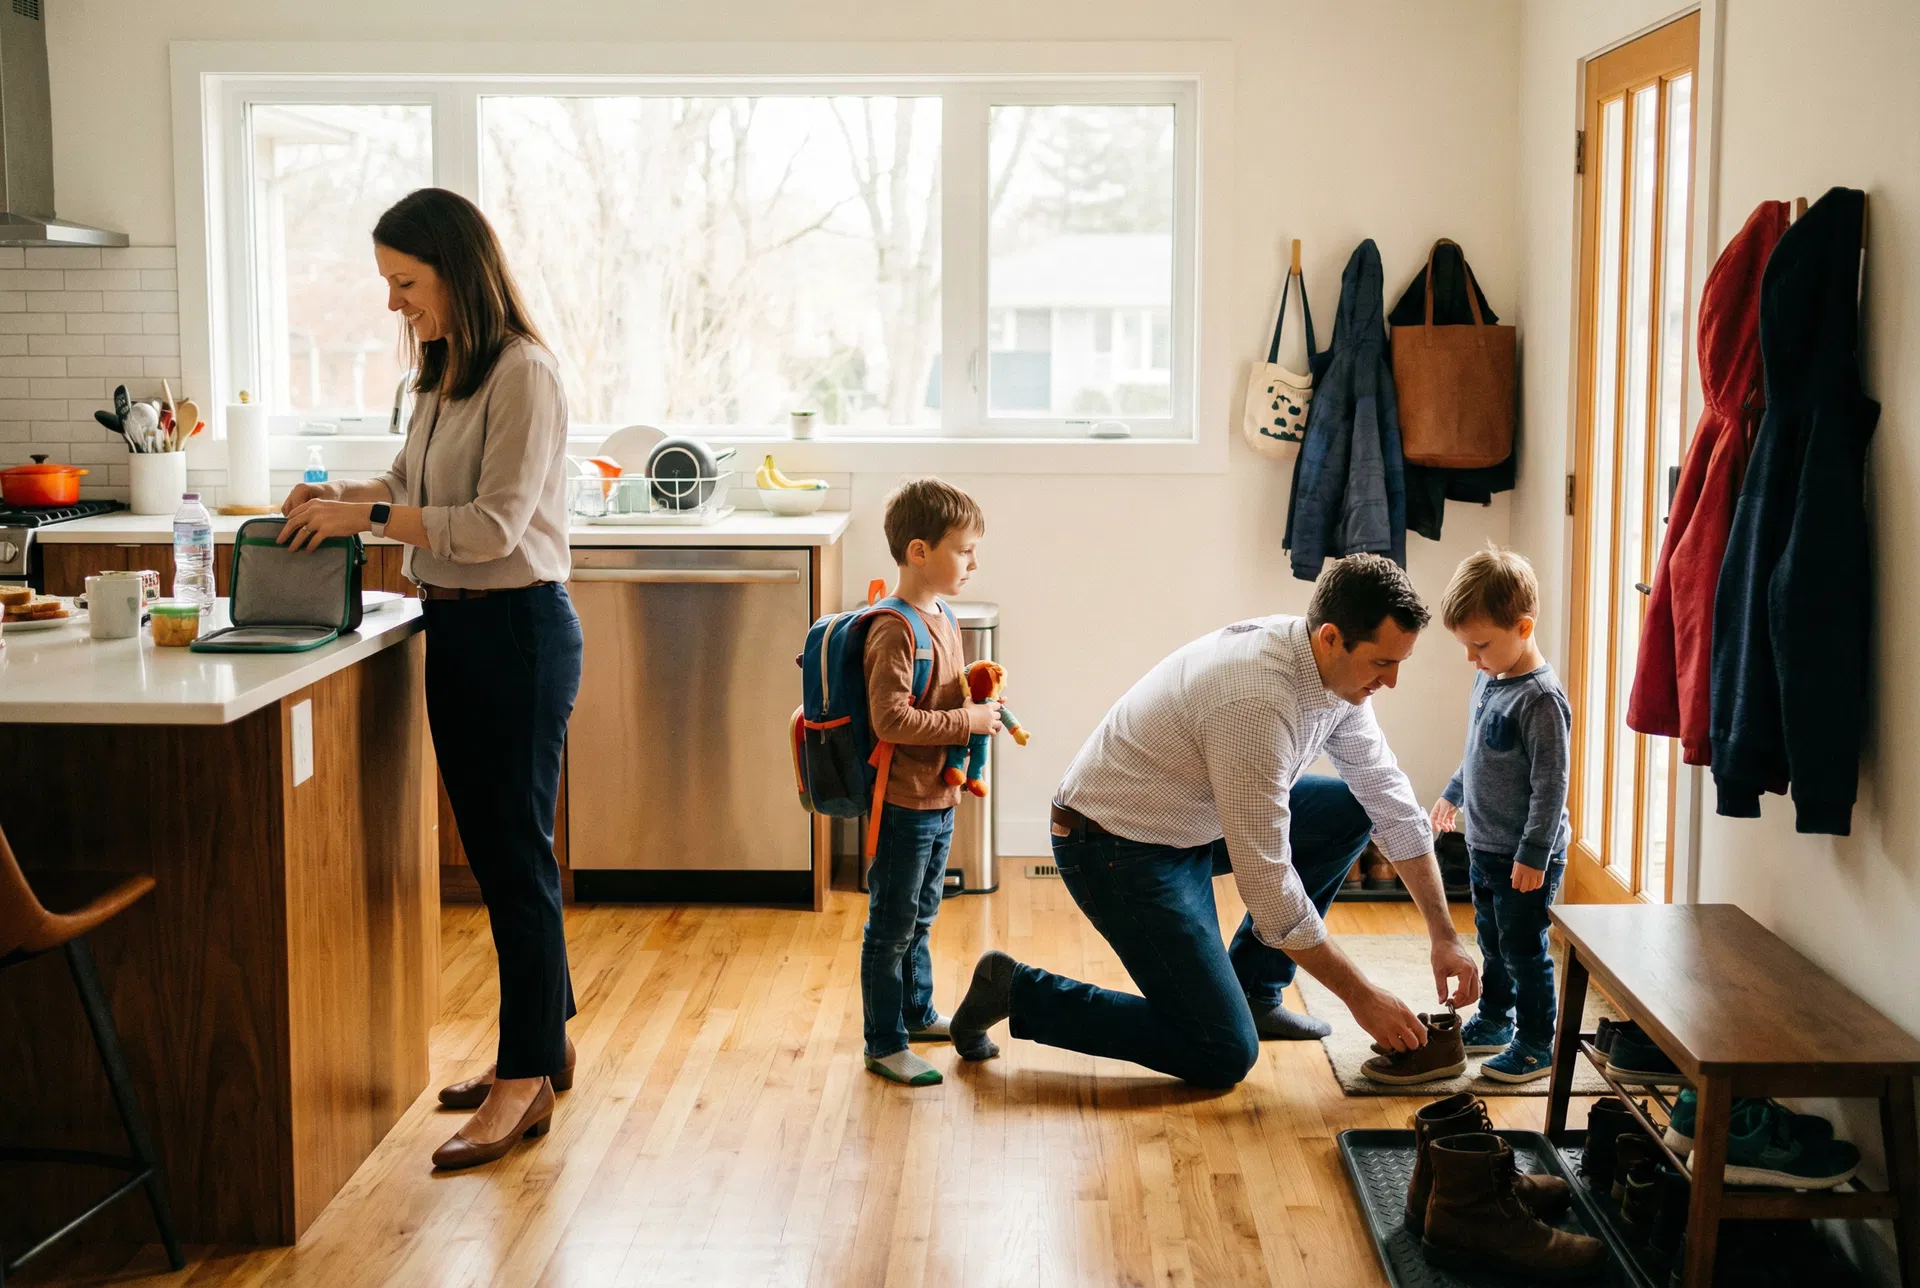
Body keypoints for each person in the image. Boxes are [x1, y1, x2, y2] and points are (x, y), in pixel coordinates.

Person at [276, 187, 582, 1168]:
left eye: (406, 283)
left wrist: (368, 524)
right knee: (502, 854)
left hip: (519, 633)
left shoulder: (523, 374)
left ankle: (524, 1079)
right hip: (454, 631)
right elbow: (413, 491)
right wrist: (345, 493)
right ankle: (546, 1044)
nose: (394, 304)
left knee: (513, 858)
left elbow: (492, 525)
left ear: (459, 270)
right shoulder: (441, 376)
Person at [947, 553, 1480, 1087]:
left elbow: (1389, 799)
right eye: (1382, 663)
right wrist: (1362, 998)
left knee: (1349, 811)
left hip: (1190, 819)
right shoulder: (1256, 702)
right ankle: (1014, 989)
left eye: (1399, 663)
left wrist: (1444, 935)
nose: (1392, 682)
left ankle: (1254, 991)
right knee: (1221, 1051)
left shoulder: (1331, 675)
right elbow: (1270, 890)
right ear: (1331, 638)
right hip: (1115, 846)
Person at [859, 478, 1001, 1087]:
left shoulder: (941, 614)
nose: (974, 562)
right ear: (919, 552)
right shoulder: (896, 628)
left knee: (920, 916)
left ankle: (916, 1014)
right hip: (902, 805)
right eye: (964, 549)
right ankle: (884, 1042)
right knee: (890, 928)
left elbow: (938, 690)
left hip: (937, 798)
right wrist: (966, 719)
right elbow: (889, 718)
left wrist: (975, 692)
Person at [1428, 548, 1572, 1083]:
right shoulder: (1489, 679)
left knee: (1524, 949)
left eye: (1480, 645)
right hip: (1483, 847)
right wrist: (1452, 794)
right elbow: (1477, 753)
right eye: (1466, 646)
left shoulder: (1540, 701)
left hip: (1524, 857)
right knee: (1491, 939)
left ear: (1523, 626)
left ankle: (1537, 1042)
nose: (1472, 658)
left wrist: (1535, 853)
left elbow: (1550, 786)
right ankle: (1494, 1016)